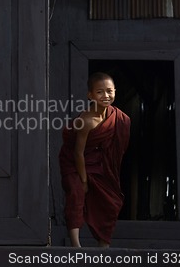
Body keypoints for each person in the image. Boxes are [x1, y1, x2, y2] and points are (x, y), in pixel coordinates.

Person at [58, 72, 130, 247]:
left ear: (115, 92)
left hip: (97, 162)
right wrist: (83, 180)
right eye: (99, 92)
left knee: (110, 198)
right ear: (90, 95)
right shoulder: (87, 120)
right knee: (76, 193)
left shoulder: (119, 118)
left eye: (109, 91)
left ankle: (103, 243)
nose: (105, 96)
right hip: (74, 162)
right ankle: (76, 244)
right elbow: (77, 153)